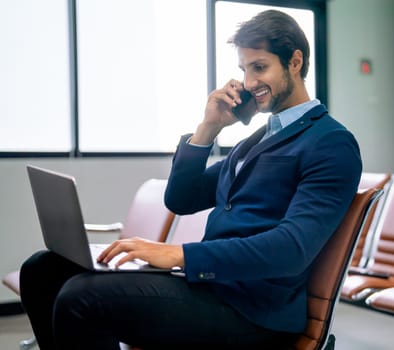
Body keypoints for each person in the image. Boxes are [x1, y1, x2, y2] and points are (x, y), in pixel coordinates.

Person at [19, 9, 362, 349]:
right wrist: (208, 128)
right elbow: (183, 199)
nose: (249, 82)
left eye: (260, 67)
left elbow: (292, 249)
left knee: (82, 298)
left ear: (295, 62)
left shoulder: (330, 142)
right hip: (211, 288)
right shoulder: (256, 140)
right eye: (244, 70)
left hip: (253, 310)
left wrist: (181, 254)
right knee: (42, 270)